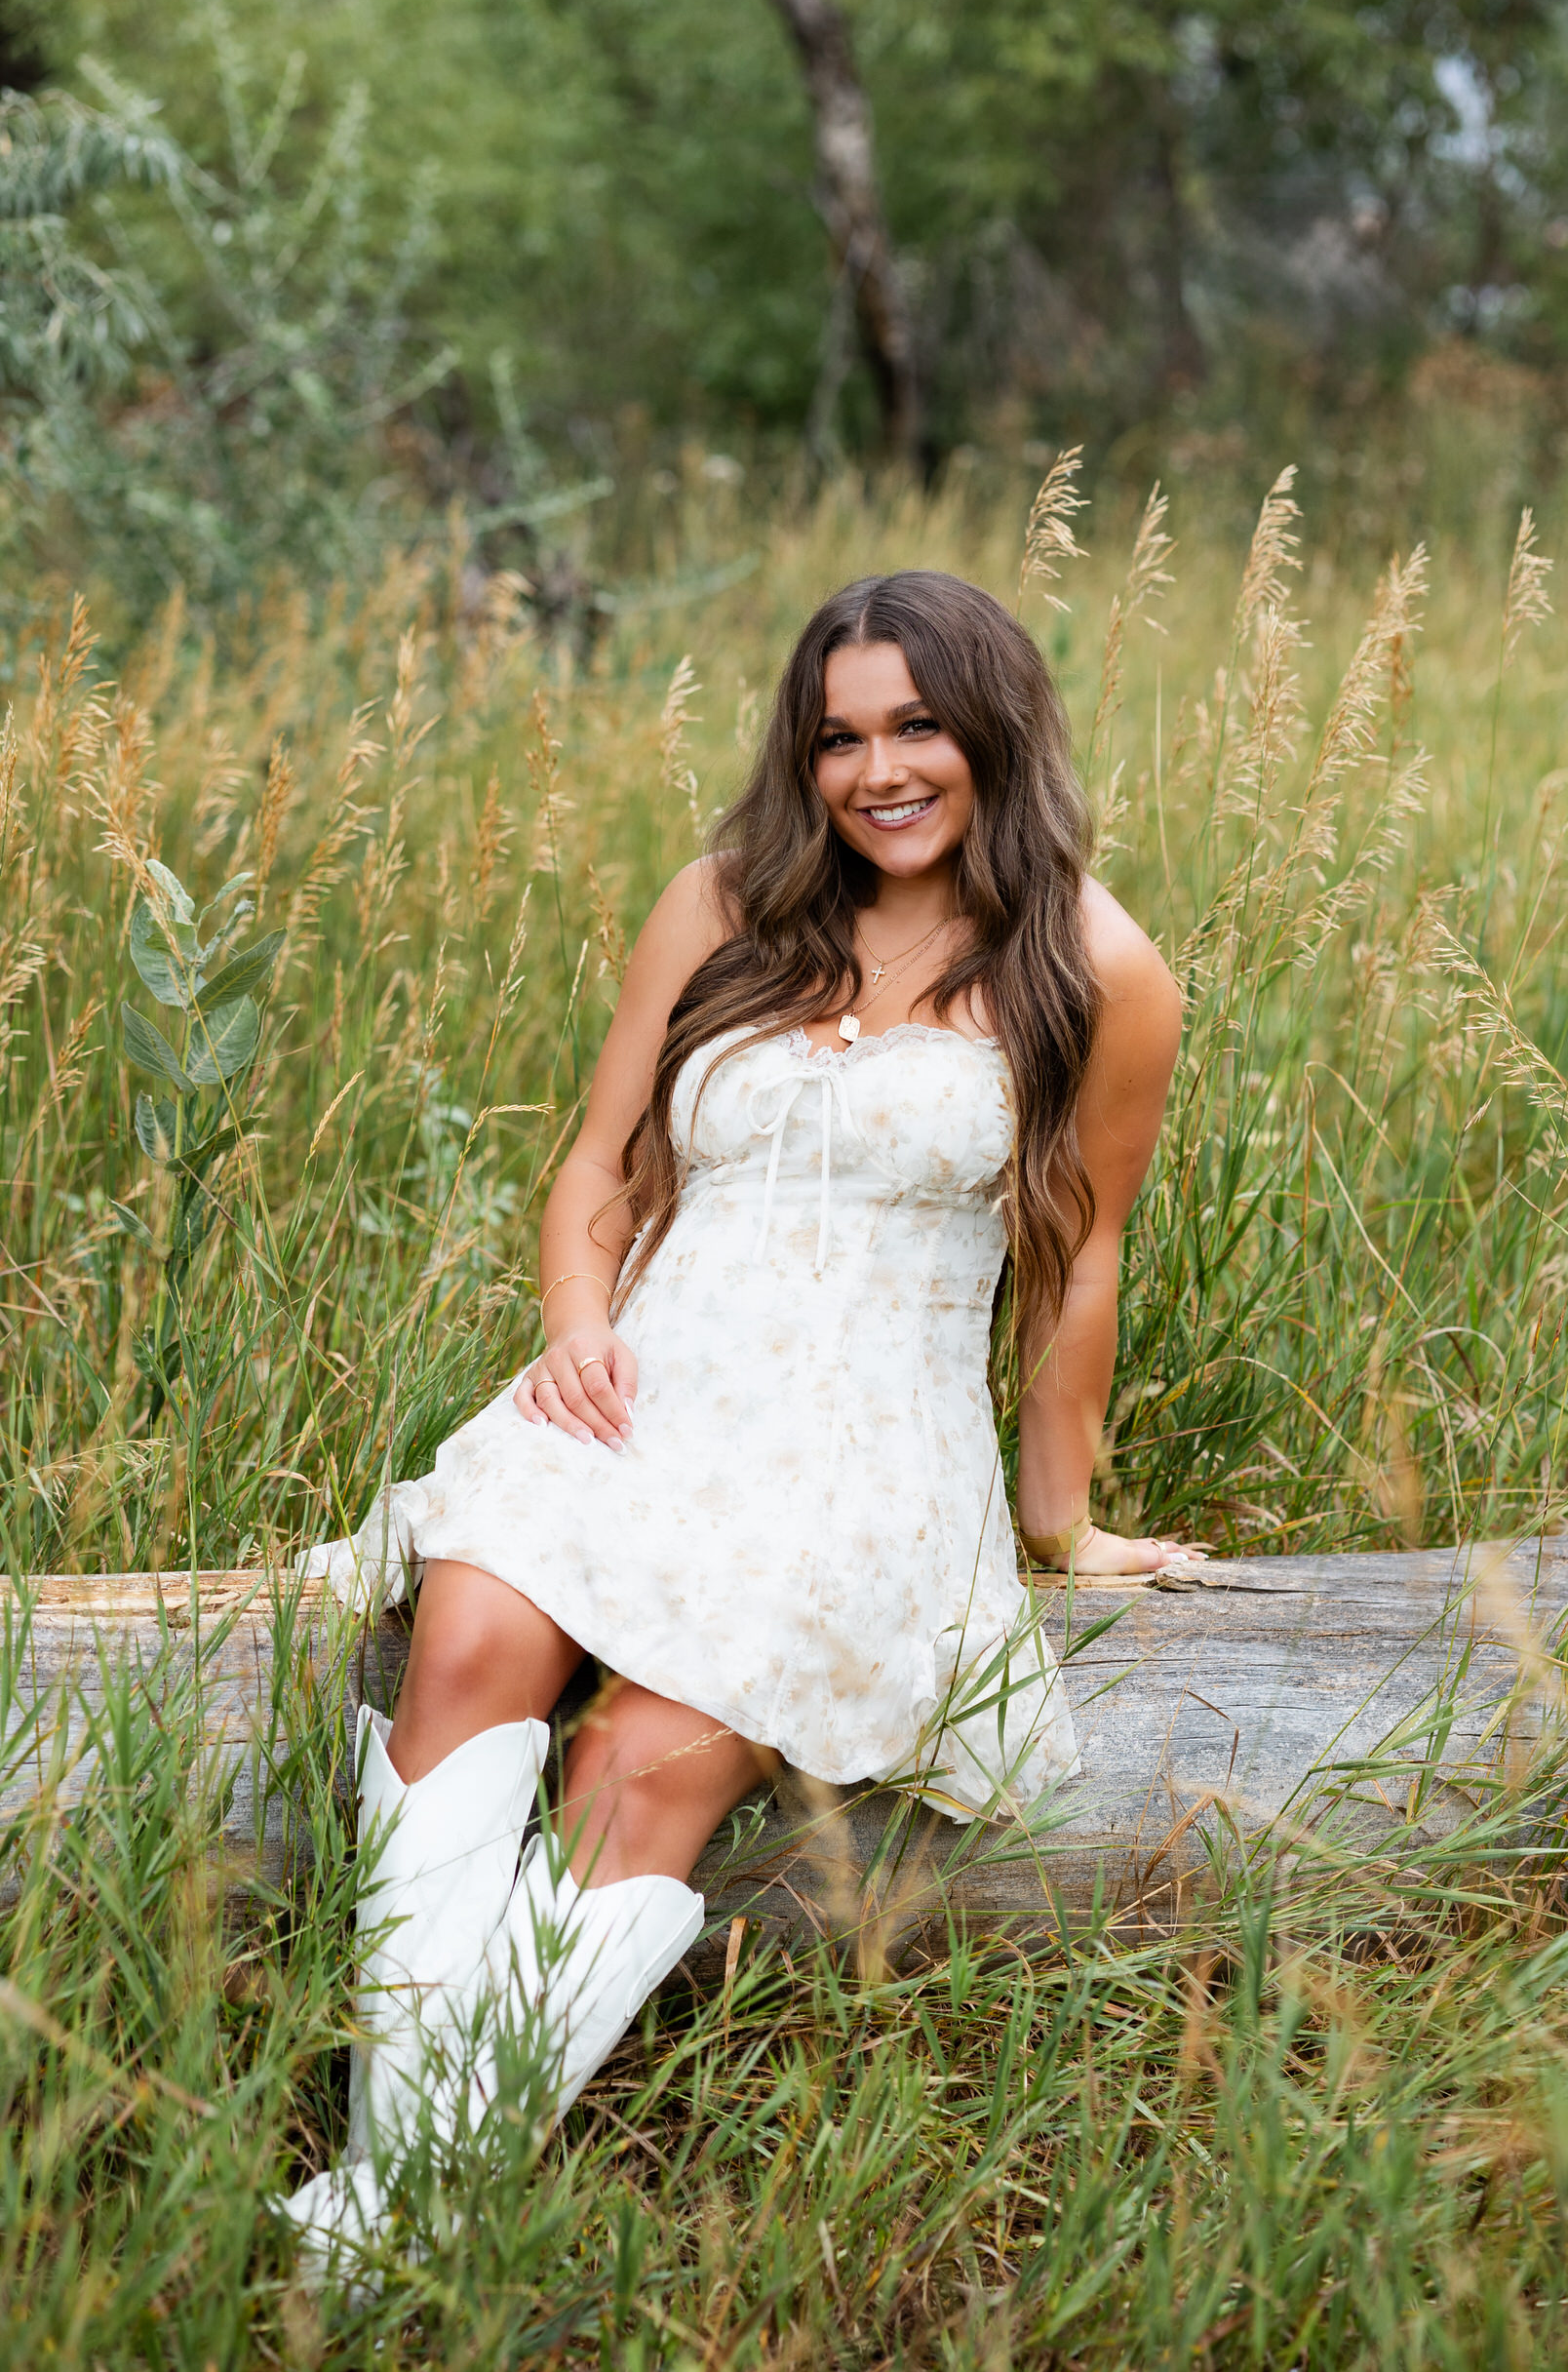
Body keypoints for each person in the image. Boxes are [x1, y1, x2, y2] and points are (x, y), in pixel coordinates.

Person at [281, 568, 1191, 2271]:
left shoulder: (1097, 966)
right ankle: (407, 2190)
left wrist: (1060, 1522)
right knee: (467, 1649)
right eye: (841, 736)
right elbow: (599, 1171)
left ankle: (391, 2212)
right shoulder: (725, 901)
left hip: (860, 1460)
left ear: (995, 728)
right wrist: (570, 1334)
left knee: (639, 1758)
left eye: (920, 725)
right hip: (646, 1386)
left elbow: (1079, 1268)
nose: (881, 771)